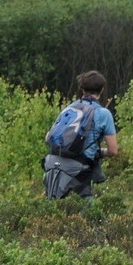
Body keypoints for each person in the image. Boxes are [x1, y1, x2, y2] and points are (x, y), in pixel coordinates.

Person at [44, 70, 120, 201]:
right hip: (79, 172)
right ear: (101, 90)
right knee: (88, 217)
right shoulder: (104, 113)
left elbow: (48, 138)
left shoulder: (69, 108)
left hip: (52, 167)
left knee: (53, 214)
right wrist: (99, 152)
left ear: (82, 89)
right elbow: (113, 150)